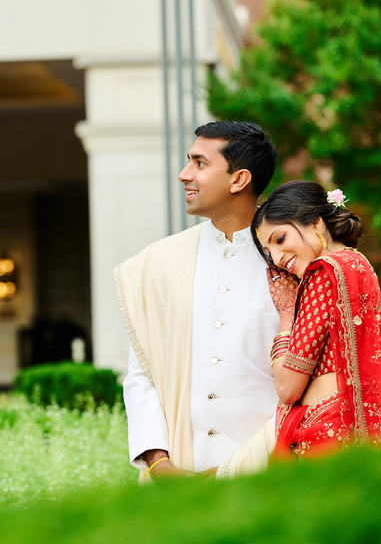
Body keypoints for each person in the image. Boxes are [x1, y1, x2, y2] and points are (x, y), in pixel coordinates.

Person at [115, 120, 280, 481]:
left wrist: (239, 467)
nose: (183, 174)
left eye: (199, 164)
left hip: (270, 479)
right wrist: (158, 463)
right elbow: (141, 376)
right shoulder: (156, 264)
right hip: (174, 486)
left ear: (239, 180)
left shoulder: (287, 262)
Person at [212, 180, 381, 479]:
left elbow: (287, 388)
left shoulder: (322, 273)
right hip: (355, 430)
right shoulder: (358, 264)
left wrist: (287, 315)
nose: (276, 259)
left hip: (323, 432)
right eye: (268, 250)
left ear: (315, 222)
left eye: (280, 238)